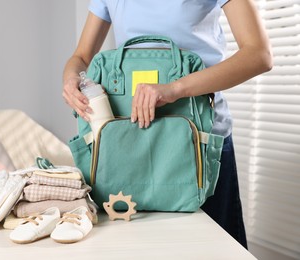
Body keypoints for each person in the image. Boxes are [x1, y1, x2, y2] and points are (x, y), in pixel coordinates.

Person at [62, 0, 272, 249]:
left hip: (199, 140)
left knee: (217, 248)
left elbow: (259, 54)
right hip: (132, 137)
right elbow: (82, 56)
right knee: (143, 247)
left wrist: (175, 89)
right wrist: (70, 79)